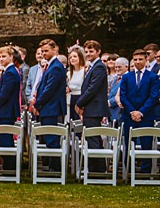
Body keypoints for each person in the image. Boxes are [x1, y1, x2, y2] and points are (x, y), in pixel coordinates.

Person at [119, 49, 160, 173]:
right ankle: (128, 171)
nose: (138, 62)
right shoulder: (127, 77)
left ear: (146, 60)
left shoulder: (153, 77)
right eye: (135, 60)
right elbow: (123, 96)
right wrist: (132, 111)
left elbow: (153, 96)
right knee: (128, 143)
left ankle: (145, 172)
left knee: (146, 144)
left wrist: (141, 112)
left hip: (146, 115)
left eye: (140, 59)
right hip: (129, 115)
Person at [75, 40, 111, 173]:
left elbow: (92, 89)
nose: (88, 54)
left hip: (94, 108)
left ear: (98, 52)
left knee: (94, 139)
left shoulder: (100, 67)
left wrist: (79, 103)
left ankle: (98, 170)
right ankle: (94, 168)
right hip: (90, 108)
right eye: (87, 51)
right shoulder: (92, 66)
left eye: (91, 51)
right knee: (91, 139)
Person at [34, 38, 68, 170]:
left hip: (51, 107)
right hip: (48, 107)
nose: (43, 54)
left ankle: (55, 168)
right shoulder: (51, 65)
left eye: (46, 51)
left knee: (52, 138)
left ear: (55, 50)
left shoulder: (56, 67)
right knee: (48, 138)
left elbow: (49, 89)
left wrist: (38, 104)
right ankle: (51, 166)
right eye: (42, 51)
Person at [66, 45, 86, 119]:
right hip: (72, 98)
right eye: (70, 57)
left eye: (75, 56)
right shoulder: (69, 73)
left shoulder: (85, 71)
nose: (72, 59)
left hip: (81, 98)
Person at [108, 57, 128, 125]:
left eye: (119, 67)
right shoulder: (116, 78)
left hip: (120, 111)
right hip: (112, 112)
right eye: (116, 67)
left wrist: (110, 102)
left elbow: (124, 94)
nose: (117, 69)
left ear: (126, 67)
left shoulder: (128, 78)